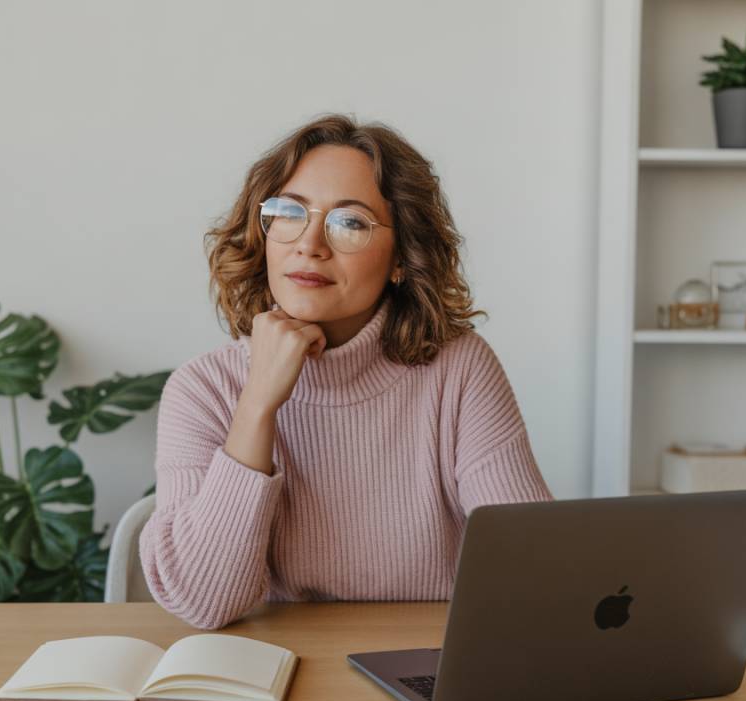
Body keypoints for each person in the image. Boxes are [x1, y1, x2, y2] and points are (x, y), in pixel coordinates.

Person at [139, 113, 552, 630]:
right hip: (280, 673)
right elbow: (205, 603)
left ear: (402, 257)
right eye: (290, 213)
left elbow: (533, 565)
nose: (310, 244)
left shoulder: (458, 368)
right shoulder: (202, 389)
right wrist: (258, 402)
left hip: (427, 664)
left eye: (350, 222)